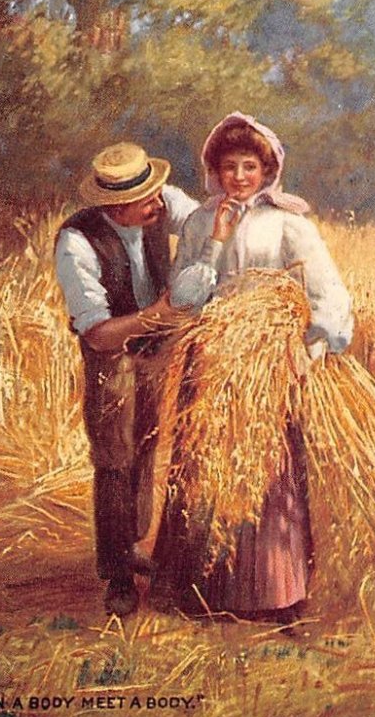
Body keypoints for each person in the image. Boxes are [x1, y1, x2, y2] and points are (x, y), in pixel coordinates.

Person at [151, 112, 353, 625]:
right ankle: (201, 591)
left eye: (248, 166)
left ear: (267, 170)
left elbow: (326, 289)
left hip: (266, 362)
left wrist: (312, 346)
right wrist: (216, 239)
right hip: (213, 357)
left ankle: (272, 594)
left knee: (267, 468)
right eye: (228, 167)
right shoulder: (200, 220)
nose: (239, 176)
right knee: (202, 464)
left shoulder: (289, 223)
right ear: (214, 172)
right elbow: (186, 294)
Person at [55, 141, 198, 616]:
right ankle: (117, 573)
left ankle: (133, 543)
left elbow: (207, 221)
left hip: (154, 351)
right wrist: (158, 314)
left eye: (158, 194)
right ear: (116, 206)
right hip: (111, 358)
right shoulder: (76, 241)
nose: (160, 205)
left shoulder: (160, 203)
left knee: (146, 445)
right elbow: (97, 333)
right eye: (147, 202)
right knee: (114, 458)